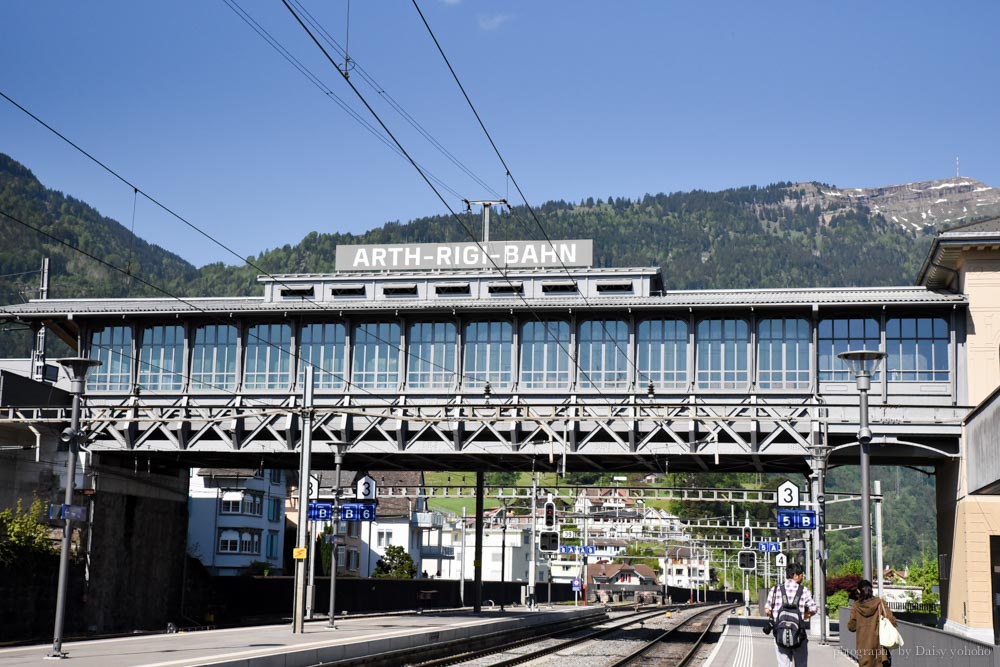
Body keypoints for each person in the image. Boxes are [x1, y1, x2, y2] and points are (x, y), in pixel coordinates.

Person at [764, 563, 818, 666]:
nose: (802, 577)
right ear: (796, 576)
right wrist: (805, 616)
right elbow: (814, 609)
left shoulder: (775, 590)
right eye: (802, 575)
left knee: (783, 664)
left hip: (780, 634)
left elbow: (767, 610)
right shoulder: (804, 591)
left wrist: (776, 616)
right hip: (799, 635)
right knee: (801, 664)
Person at [848, 579, 897, 667]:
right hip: (880, 649)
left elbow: (851, 627)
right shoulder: (880, 603)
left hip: (864, 649)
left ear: (859, 591)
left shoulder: (856, 606)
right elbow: (892, 621)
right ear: (871, 590)